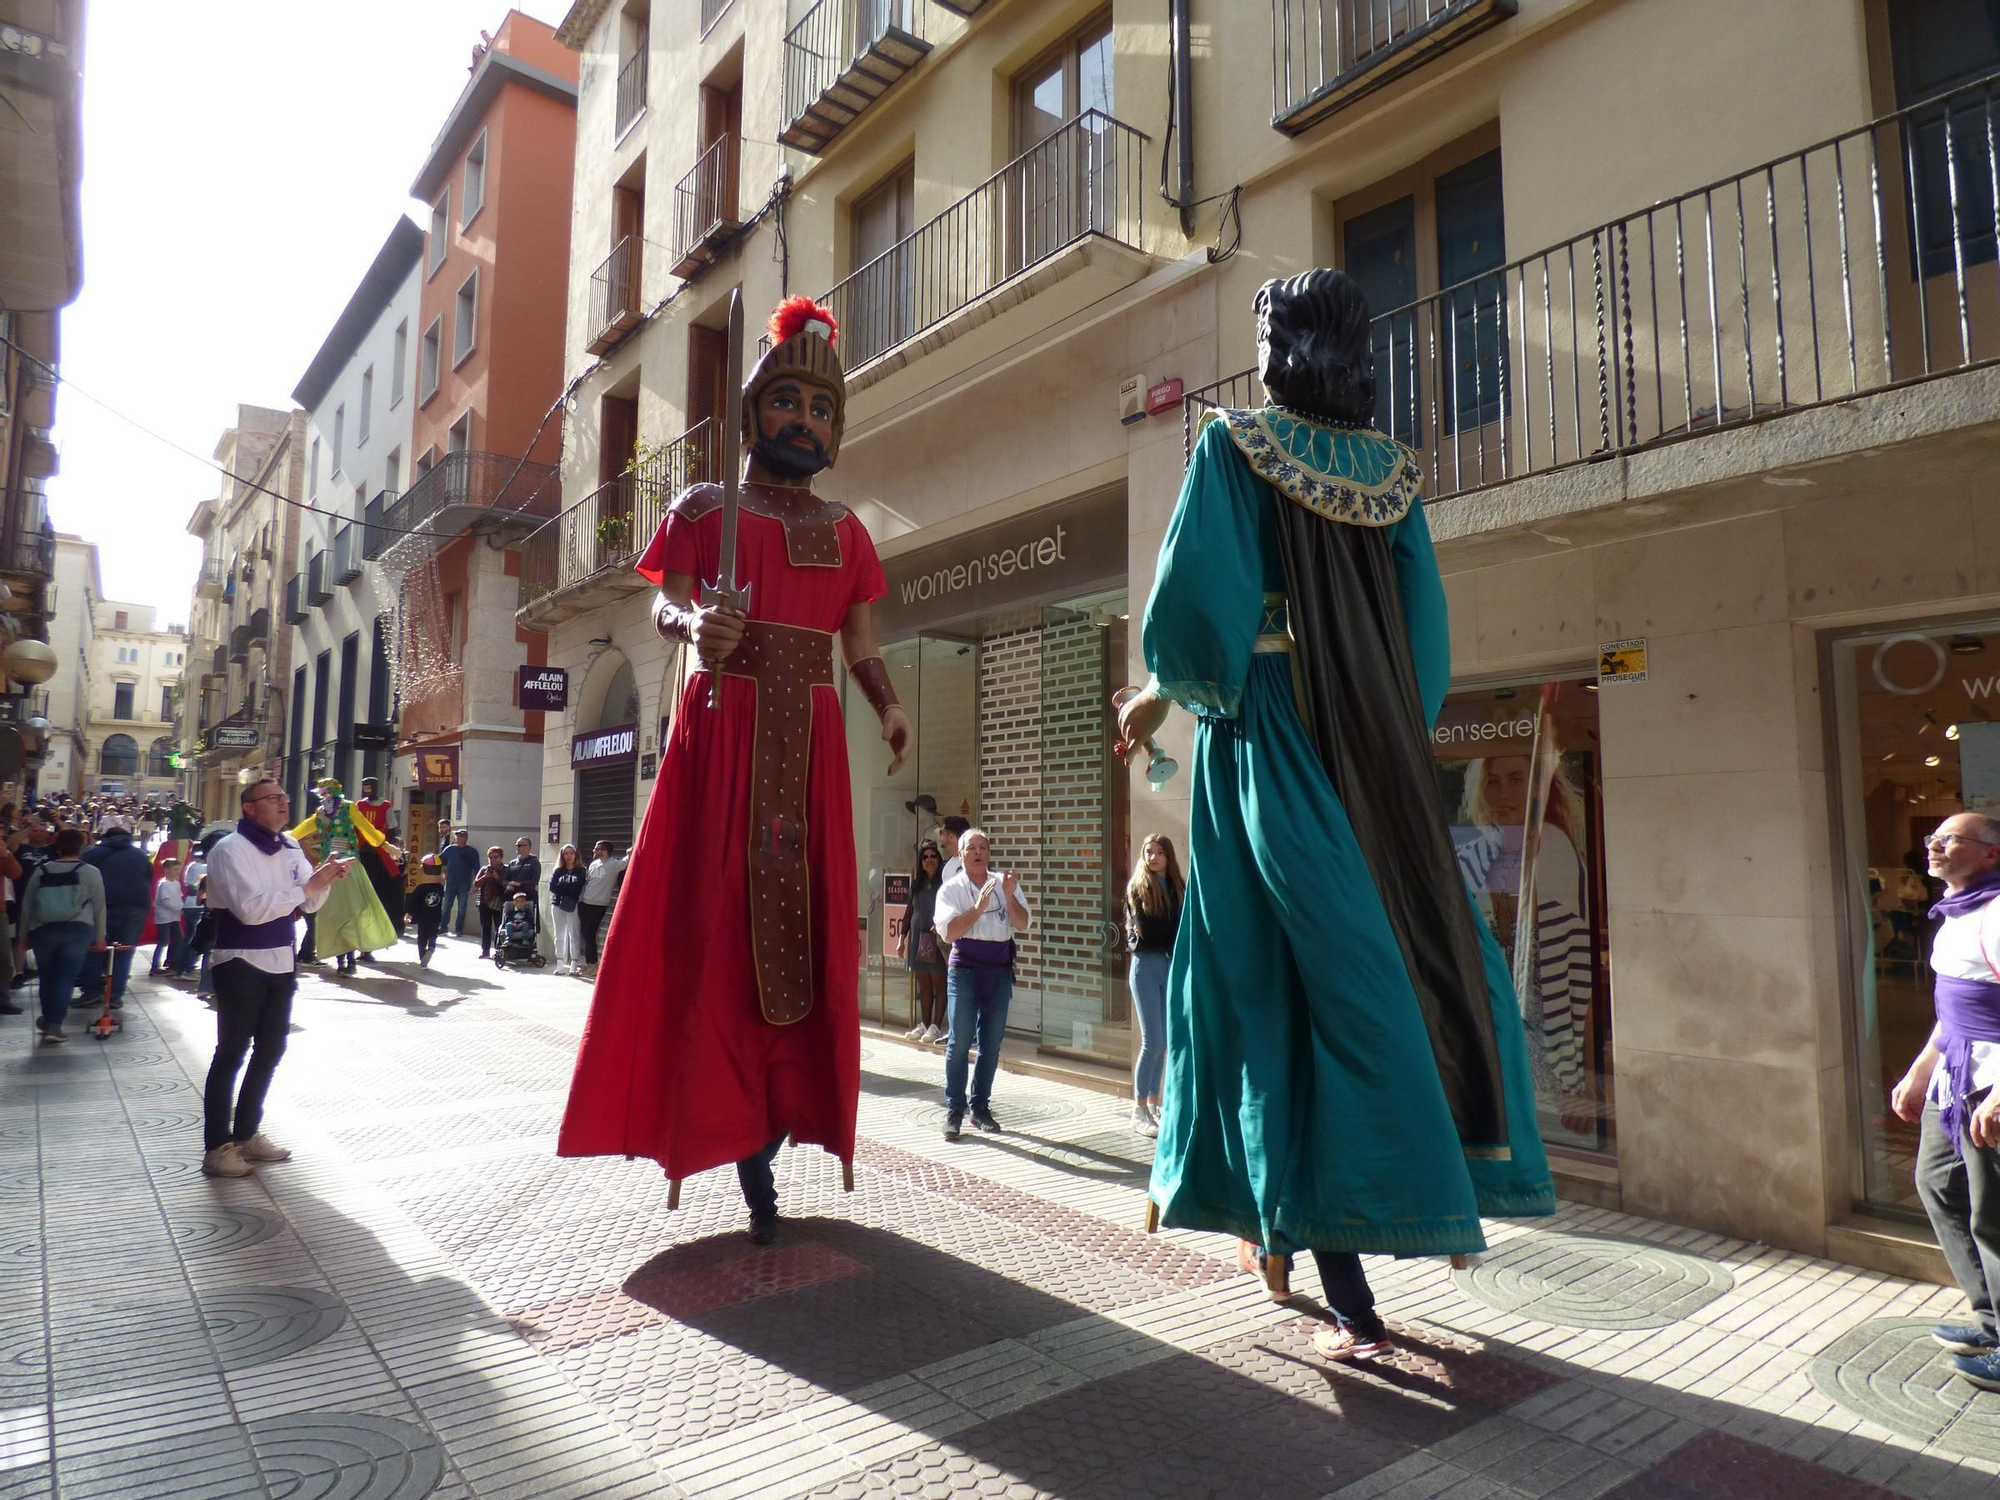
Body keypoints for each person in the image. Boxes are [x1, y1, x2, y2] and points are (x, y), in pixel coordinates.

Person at [1114, 269, 1554, 1363]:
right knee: (1398, 957)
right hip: (1371, 753)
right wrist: (1384, 735)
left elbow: (1193, 615)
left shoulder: (1232, 447)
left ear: (1279, 347)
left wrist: (1175, 692)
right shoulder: (1395, 476)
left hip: (1264, 739)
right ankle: (1352, 1217)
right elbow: (1424, 641)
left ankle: (1303, 1224)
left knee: (1262, 986)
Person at [560, 294, 912, 1249]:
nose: (808, 420)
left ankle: (776, 1116)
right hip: (725, 729)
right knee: (716, 931)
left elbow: (861, 640)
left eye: (824, 407)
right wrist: (695, 626)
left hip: (811, 746)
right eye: (790, 401)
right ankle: (731, 1130)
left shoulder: (848, 532)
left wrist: (886, 703)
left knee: (806, 932)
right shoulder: (702, 509)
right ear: (755, 410)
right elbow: (664, 610)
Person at [1891, 813, 2000, 1392]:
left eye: (1950, 838)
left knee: (1994, 1213)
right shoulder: (1954, 914)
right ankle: (1991, 1319)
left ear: (1989, 854)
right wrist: (1917, 1072)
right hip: (1953, 1075)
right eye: (1931, 836)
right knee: (1937, 1183)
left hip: (1991, 1082)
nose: (1933, 845)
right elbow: (1951, 1010)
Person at [201, 778, 348, 1178]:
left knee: (270, 1050)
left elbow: (310, 901)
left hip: (282, 960)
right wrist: (307, 888)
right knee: (231, 1052)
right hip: (241, 960)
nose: (284, 803)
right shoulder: (230, 849)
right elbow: (250, 910)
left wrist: (324, 882)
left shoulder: (289, 845)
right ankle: (217, 1147)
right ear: (250, 808)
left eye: (284, 797)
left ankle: (247, 1133)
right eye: (273, 799)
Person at [933, 830, 1032, 1142]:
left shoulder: (1004, 882)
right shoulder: (951, 889)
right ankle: (954, 1109)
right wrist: (977, 907)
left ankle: (981, 1108)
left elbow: (1022, 923)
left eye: (982, 848)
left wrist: (1011, 894)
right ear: (960, 855)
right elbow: (948, 934)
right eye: (971, 848)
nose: (977, 853)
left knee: (991, 1043)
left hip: (998, 969)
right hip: (964, 969)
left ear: (989, 852)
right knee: (960, 1040)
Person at [289, 779, 399, 976]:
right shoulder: (321, 814)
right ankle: (343, 959)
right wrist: (274, 838)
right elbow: (296, 833)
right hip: (330, 871)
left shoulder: (347, 809)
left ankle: (348, 959)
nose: (324, 797)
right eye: (323, 794)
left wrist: (386, 846)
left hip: (346, 868)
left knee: (350, 912)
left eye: (325, 793)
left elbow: (368, 829)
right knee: (334, 915)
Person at [20, 827, 105, 1045]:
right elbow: (100, 908)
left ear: (57, 846)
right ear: (82, 846)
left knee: (47, 977)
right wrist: (100, 937)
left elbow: (28, 905)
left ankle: (49, 1019)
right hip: (77, 931)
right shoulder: (91, 872)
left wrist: (22, 936)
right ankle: (54, 1024)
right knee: (65, 977)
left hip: (43, 930)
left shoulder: (42, 870)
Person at [1124, 833, 1184, 1139]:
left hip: (1169, 966)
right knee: (1153, 1041)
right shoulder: (1138, 888)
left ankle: (1155, 1103)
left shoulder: (1177, 887)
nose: (1153, 857)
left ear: (1169, 856)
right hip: (1145, 966)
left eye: (1160, 852)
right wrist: (1168, 936)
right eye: (1148, 852)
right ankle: (1139, 1109)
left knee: (1164, 1043)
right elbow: (1147, 930)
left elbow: (1180, 930)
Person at [78, 813, 153, 1011]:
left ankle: (91, 992)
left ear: (105, 838)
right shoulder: (139, 855)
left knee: (94, 949)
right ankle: (116, 996)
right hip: (135, 908)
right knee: (124, 953)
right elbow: (148, 878)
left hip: (99, 908)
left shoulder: (91, 854)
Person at [896, 841, 949, 1043]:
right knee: (923, 984)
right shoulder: (916, 884)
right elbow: (909, 912)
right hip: (917, 937)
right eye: (925, 857)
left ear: (938, 859)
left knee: (938, 982)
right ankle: (924, 1024)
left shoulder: (944, 883)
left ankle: (936, 1026)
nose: (929, 860)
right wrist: (902, 938)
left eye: (933, 856)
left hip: (935, 937)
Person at [351, 777, 405, 945]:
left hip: (380, 852)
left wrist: (390, 849)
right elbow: (353, 828)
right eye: (365, 786)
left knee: (390, 886)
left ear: (375, 787)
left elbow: (391, 829)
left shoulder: (385, 806)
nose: (367, 789)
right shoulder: (358, 806)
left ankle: (392, 924)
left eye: (370, 786)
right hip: (361, 852)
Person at [577, 839, 626, 970]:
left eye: (597, 848)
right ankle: (589, 963)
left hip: (599, 905)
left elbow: (629, 859)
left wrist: (632, 850)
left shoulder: (614, 864)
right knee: (586, 934)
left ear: (605, 850)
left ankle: (593, 964)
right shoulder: (594, 863)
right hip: (585, 902)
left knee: (589, 933)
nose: (594, 850)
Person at [548, 844, 587, 975]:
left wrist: (563, 887)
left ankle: (574, 964)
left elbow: (578, 887)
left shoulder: (581, 871)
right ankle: (559, 963)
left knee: (574, 933)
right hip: (558, 904)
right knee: (559, 934)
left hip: (573, 905)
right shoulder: (558, 871)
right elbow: (552, 887)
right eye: (566, 853)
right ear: (562, 855)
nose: (569, 856)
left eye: (571, 853)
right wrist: (567, 888)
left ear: (575, 855)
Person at [405, 853, 446, 967]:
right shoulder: (440, 888)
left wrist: (408, 912)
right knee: (433, 934)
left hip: (423, 917)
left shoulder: (420, 888)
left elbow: (413, 902)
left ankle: (422, 957)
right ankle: (432, 947)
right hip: (435, 916)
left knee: (421, 937)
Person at [440, 827, 481, 937]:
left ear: (466, 838)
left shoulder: (472, 852)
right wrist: (443, 871)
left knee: (462, 908)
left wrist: (475, 884)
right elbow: (439, 860)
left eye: (462, 836)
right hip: (449, 883)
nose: (459, 838)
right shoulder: (449, 849)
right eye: (458, 836)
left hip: (464, 884)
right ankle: (443, 928)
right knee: (446, 907)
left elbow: (477, 869)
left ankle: (459, 929)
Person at [149, 855, 186, 977]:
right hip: (164, 918)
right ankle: (155, 966)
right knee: (162, 941)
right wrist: (179, 907)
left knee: (178, 939)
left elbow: (179, 897)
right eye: (175, 870)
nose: (177, 872)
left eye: (178, 870)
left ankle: (172, 962)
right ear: (166, 870)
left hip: (174, 917)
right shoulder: (164, 884)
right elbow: (166, 902)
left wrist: (180, 906)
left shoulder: (176, 883)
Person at [473, 845, 509, 958]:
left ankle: (498, 951)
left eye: (495, 857)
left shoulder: (505, 870)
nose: (493, 860)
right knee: (485, 928)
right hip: (484, 902)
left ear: (501, 857)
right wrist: (485, 877)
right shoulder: (485, 869)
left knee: (499, 927)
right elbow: (476, 884)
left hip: (498, 902)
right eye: (490, 857)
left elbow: (506, 886)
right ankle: (485, 951)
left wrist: (497, 878)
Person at [496, 888, 539, 964]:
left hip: (523, 926)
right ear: (514, 903)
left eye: (522, 901)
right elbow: (507, 919)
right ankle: (509, 939)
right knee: (508, 925)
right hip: (513, 926)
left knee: (526, 924)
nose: (520, 903)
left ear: (524, 903)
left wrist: (522, 923)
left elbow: (530, 920)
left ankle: (525, 939)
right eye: (518, 902)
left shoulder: (527, 911)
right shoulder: (511, 911)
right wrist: (513, 923)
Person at [503, 836, 542, 902]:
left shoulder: (534, 862)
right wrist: (507, 885)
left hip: (528, 897)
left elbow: (534, 881)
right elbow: (505, 879)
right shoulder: (512, 863)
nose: (517, 847)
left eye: (519, 845)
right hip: (512, 897)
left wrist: (520, 884)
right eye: (516, 845)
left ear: (527, 847)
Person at [935, 816, 970, 886]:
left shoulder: (973, 862)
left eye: (941, 832)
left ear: (951, 837)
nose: (940, 836)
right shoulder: (946, 865)